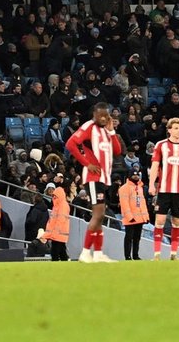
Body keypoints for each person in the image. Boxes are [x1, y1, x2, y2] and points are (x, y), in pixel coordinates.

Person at [66, 101, 123, 262]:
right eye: (101, 116)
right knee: (98, 215)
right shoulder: (89, 127)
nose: (104, 119)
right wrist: (86, 163)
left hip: (103, 178)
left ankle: (98, 253)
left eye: (107, 116)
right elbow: (71, 144)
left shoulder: (106, 131)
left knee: (100, 215)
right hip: (92, 177)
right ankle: (85, 252)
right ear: (94, 115)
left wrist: (112, 132)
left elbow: (118, 151)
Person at [148, 115, 179, 259]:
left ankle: (174, 254)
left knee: (177, 221)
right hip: (163, 190)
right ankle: (157, 254)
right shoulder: (161, 145)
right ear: (169, 130)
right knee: (160, 221)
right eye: (176, 128)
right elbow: (155, 166)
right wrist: (151, 184)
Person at [118, 171, 150, 260]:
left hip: (139, 218)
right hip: (130, 219)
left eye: (137, 175)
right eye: (133, 175)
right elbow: (124, 204)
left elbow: (142, 203)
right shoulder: (124, 188)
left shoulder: (140, 187)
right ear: (129, 176)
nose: (136, 176)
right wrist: (129, 217)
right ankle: (127, 256)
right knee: (129, 238)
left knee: (137, 238)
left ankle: (135, 255)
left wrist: (146, 217)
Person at [44, 178, 71, 261]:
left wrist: (53, 233)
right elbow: (53, 221)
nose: (54, 197)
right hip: (58, 234)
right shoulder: (58, 205)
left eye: (55, 196)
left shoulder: (62, 205)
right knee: (62, 252)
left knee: (55, 252)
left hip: (58, 234)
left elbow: (60, 220)